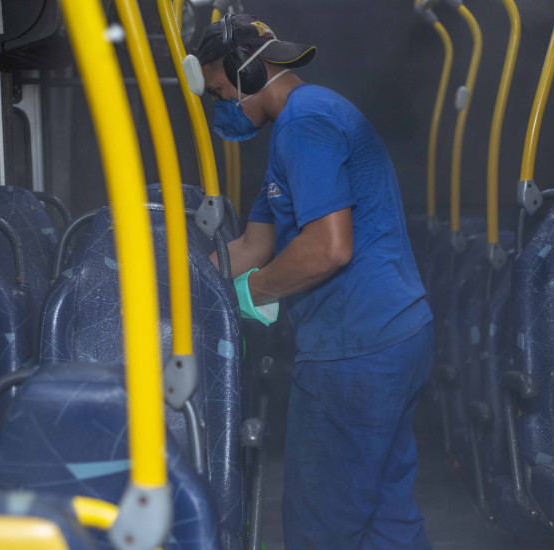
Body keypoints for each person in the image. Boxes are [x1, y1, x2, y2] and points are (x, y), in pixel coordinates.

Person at [195, 14, 434, 549]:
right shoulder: (298, 126)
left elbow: (329, 247)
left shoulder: (306, 123)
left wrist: (248, 295)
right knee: (386, 516)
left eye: (218, 91)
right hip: (392, 337)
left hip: (355, 352)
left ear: (245, 70)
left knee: (320, 526)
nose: (220, 105)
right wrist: (180, 284)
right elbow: (253, 245)